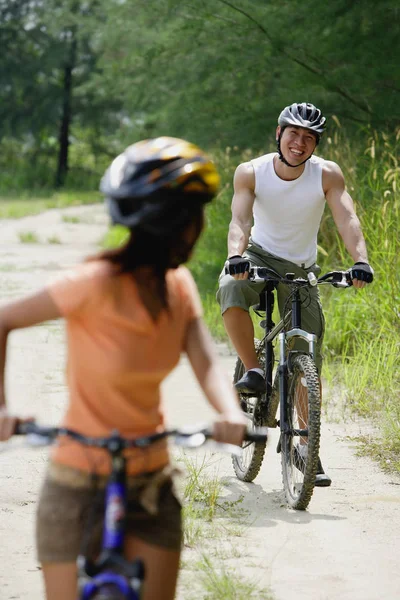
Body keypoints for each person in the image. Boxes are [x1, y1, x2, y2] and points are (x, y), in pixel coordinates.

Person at [0, 137, 247, 600]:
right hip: (73, 482)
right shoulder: (93, 283)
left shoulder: (178, 286)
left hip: (151, 484)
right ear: (174, 224)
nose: (199, 225)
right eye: (193, 215)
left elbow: (205, 359)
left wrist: (230, 413)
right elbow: (4, 320)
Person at [217, 102, 374, 486]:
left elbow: (346, 217)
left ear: (315, 144)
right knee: (230, 287)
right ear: (279, 133)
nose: (299, 143)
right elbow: (240, 219)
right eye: (293, 134)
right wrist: (235, 256)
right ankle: (253, 369)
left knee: (306, 353)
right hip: (256, 255)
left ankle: (305, 445)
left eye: (308, 138)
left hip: (300, 268)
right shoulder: (251, 172)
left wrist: (360, 260)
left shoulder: (326, 175)